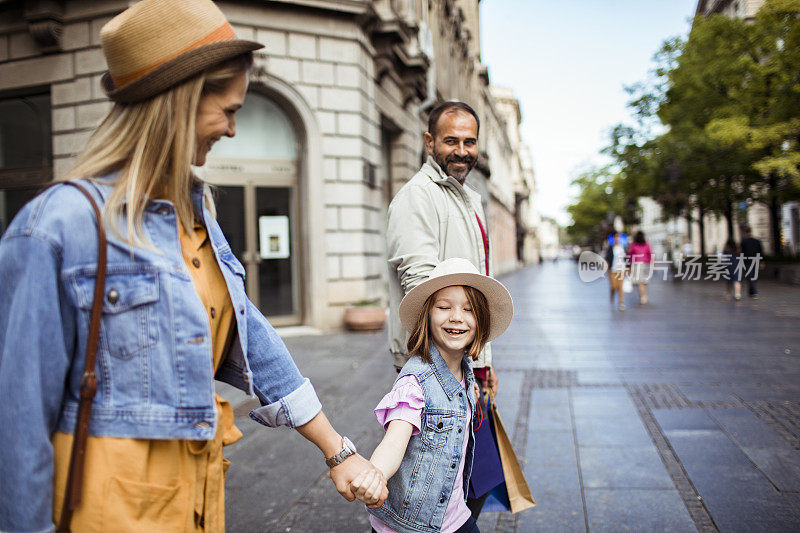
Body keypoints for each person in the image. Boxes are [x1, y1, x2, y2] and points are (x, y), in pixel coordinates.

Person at [0, 1, 385, 530]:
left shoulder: (195, 211)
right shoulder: (56, 226)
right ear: (178, 102)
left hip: (195, 507)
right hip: (107, 515)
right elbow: (17, 427)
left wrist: (338, 452)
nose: (231, 129)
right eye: (228, 111)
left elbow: (249, 331)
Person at [386, 101, 500, 517]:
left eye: (470, 141)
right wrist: (455, 369)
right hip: (435, 361)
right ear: (430, 142)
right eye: (451, 140)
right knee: (433, 482)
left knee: (464, 477)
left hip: (463, 359)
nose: (462, 150)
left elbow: (478, 293)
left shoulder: (469, 198)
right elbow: (419, 287)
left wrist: (482, 363)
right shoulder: (418, 197)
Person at [352, 258, 514, 533]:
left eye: (469, 309)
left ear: (481, 321)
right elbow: (394, 441)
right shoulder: (415, 384)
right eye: (444, 307)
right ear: (427, 315)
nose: (456, 317)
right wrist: (375, 474)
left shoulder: (464, 371)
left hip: (454, 515)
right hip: (409, 526)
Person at [628, 231, 653, 304]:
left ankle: (643, 296)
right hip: (645, 264)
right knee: (644, 281)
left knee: (640, 282)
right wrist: (653, 263)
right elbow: (650, 254)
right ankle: (643, 295)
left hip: (636, 265)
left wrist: (629, 267)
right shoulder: (647, 244)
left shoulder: (633, 245)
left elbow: (630, 256)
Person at [740, 226, 764, 299]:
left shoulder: (743, 241)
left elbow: (741, 252)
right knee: (753, 276)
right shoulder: (757, 241)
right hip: (756, 260)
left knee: (750, 277)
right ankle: (752, 292)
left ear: (746, 233)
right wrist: (762, 261)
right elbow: (760, 251)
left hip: (747, 261)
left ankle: (753, 292)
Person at [606, 232, 627, 311]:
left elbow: (626, 258)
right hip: (612, 270)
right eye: (616, 237)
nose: (617, 238)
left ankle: (621, 303)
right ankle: (612, 294)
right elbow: (608, 258)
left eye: (618, 237)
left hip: (621, 269)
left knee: (621, 287)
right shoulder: (611, 248)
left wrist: (628, 268)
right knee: (614, 286)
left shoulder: (623, 247)